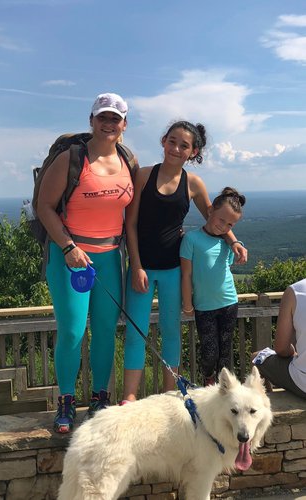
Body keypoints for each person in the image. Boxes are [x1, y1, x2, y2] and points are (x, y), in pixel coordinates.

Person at [122, 121, 247, 403]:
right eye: (172, 141)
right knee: (135, 332)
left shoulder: (193, 183)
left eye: (184, 145)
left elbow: (216, 218)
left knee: (171, 332)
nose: (176, 148)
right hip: (143, 268)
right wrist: (137, 265)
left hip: (173, 270)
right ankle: (129, 398)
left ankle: (169, 396)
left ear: (193, 152)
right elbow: (130, 225)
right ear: (163, 140)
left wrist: (234, 241)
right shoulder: (142, 176)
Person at [37, 93, 138, 433]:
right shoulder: (71, 159)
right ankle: (66, 401)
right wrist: (67, 247)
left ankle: (99, 399)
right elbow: (44, 206)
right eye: (102, 117)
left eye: (115, 118)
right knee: (72, 331)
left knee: (106, 332)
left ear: (124, 124)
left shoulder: (128, 160)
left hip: (110, 256)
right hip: (70, 258)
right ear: (92, 120)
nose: (108, 124)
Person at [180, 187, 246, 386]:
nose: (224, 226)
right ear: (210, 211)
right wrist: (188, 304)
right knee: (210, 353)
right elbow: (186, 274)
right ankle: (209, 382)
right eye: (221, 220)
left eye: (230, 224)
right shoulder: (191, 239)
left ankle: (225, 391)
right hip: (204, 306)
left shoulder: (228, 242)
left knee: (225, 352)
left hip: (229, 302)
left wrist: (237, 244)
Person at [252, 279, 306, 399]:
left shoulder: (295, 292)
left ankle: (265, 404)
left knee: (257, 357)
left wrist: (293, 352)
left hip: (303, 383)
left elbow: (281, 349)